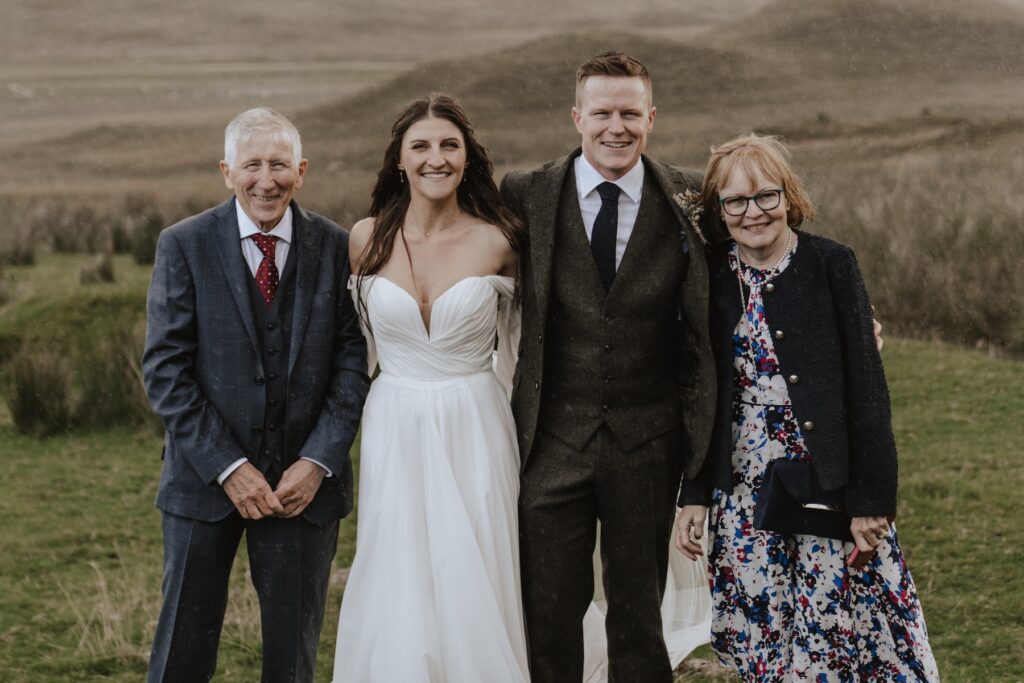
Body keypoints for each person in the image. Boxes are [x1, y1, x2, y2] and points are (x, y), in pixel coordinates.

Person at [674, 133, 939, 681]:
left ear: (789, 196)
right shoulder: (710, 272)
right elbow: (701, 392)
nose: (754, 213)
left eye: (767, 196)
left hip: (827, 482)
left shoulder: (831, 263)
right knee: (763, 640)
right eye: (736, 201)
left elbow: (867, 393)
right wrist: (695, 493)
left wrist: (873, 500)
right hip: (744, 491)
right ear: (719, 212)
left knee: (840, 631)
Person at [500, 52, 717, 683]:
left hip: (648, 444)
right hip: (550, 442)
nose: (615, 127)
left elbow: (759, 256)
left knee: (637, 619)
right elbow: (450, 235)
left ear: (651, 117)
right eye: (602, 112)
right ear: (577, 117)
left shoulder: (689, 198)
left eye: (629, 112)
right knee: (549, 614)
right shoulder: (526, 193)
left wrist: (845, 309)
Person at [142, 107, 369, 682]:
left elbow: (352, 367)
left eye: (279, 164)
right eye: (251, 165)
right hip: (202, 486)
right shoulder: (184, 244)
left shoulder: (336, 246)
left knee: (290, 660)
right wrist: (229, 466)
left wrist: (317, 462)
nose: (265, 179)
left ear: (302, 170)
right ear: (226, 171)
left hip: (302, 491)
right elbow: (165, 371)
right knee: (181, 656)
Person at [332, 94, 529, 681]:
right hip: (394, 420)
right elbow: (357, 346)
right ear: (400, 159)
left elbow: (520, 349)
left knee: (476, 566)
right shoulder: (364, 238)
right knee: (399, 569)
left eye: (449, 145)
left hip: (476, 418)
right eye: (420, 146)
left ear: (468, 158)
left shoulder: (500, 239)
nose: (435, 158)